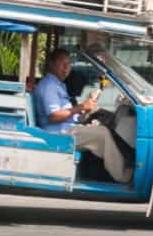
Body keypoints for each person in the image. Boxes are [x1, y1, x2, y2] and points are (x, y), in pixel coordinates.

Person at [32, 48, 131, 183]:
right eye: (62, 64)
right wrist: (81, 107)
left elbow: (68, 113)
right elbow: (54, 116)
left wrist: (84, 111)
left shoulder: (58, 84)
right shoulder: (49, 86)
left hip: (67, 128)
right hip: (58, 134)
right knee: (103, 134)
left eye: (69, 64)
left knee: (101, 121)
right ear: (51, 64)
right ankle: (123, 176)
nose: (67, 68)